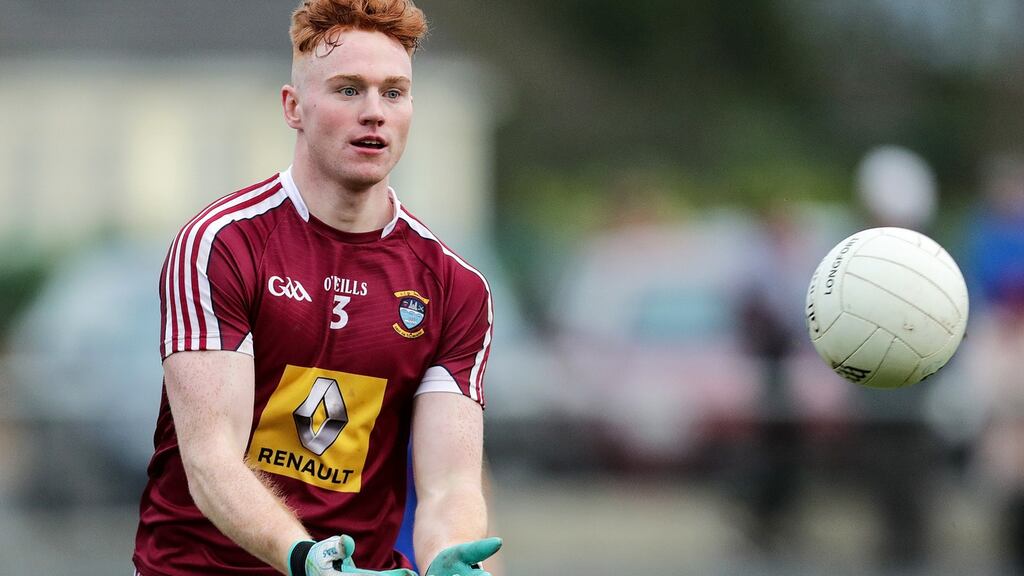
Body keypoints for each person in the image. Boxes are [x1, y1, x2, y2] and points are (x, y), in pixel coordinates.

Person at [132, 1, 501, 575]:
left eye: (394, 92)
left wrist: (447, 555)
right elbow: (210, 460)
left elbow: (452, 483)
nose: (375, 113)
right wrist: (304, 558)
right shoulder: (222, 244)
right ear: (293, 107)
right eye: (349, 90)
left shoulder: (455, 287)